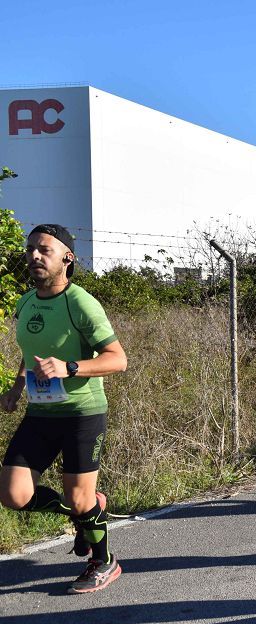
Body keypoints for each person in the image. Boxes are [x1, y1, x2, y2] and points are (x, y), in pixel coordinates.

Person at [0, 224, 128, 594]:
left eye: (44, 250)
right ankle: (87, 511)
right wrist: (16, 387)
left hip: (81, 414)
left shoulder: (81, 303)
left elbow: (117, 360)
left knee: (78, 497)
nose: (34, 256)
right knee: (13, 495)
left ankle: (103, 560)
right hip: (40, 414)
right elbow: (30, 355)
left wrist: (70, 367)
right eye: (29, 250)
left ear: (67, 258)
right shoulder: (26, 302)